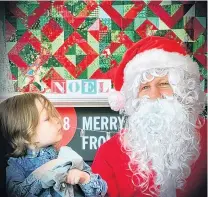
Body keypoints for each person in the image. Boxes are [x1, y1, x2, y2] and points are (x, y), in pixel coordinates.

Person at [91, 36, 207, 197]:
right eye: (145, 87)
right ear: (134, 99)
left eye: (163, 84)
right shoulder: (109, 153)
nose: (154, 95)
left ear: (183, 90)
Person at [0, 93, 107, 197]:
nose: (57, 119)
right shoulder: (17, 165)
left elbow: (101, 192)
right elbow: (15, 193)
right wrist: (42, 174)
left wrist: (83, 177)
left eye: (54, 115)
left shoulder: (67, 156)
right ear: (26, 135)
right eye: (47, 118)